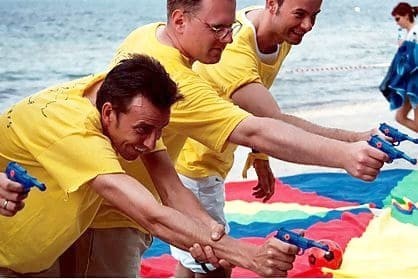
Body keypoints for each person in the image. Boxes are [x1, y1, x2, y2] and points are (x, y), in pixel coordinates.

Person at [62, 0, 391, 277]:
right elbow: (260, 126)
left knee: (206, 253)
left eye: (229, 26)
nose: (228, 38)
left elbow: (161, 169)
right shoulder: (180, 82)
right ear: (179, 21)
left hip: (126, 193)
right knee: (206, 263)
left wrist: (213, 230)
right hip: (113, 211)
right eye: (217, 28)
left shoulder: (148, 36)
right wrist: (346, 153)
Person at [0, 55, 300, 278]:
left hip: (37, 255)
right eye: (143, 131)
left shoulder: (119, 98)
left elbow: (171, 189)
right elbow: (151, 215)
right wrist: (250, 257)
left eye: (160, 131)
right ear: (108, 113)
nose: (151, 143)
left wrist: (212, 233)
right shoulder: (69, 125)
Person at [171, 0, 382, 276]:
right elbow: (272, 120)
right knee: (216, 263)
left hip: (212, 158)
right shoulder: (234, 50)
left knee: (196, 260)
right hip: (192, 165)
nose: (307, 26)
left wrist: (260, 155)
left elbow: (256, 112)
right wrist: (352, 142)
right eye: (299, 15)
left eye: (314, 15)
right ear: (272, 5)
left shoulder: (279, 34)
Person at [390, 2, 418, 131]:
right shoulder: (410, 33)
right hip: (409, 83)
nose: (397, 23)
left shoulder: (415, 33)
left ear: (406, 16)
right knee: (400, 116)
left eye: (397, 18)